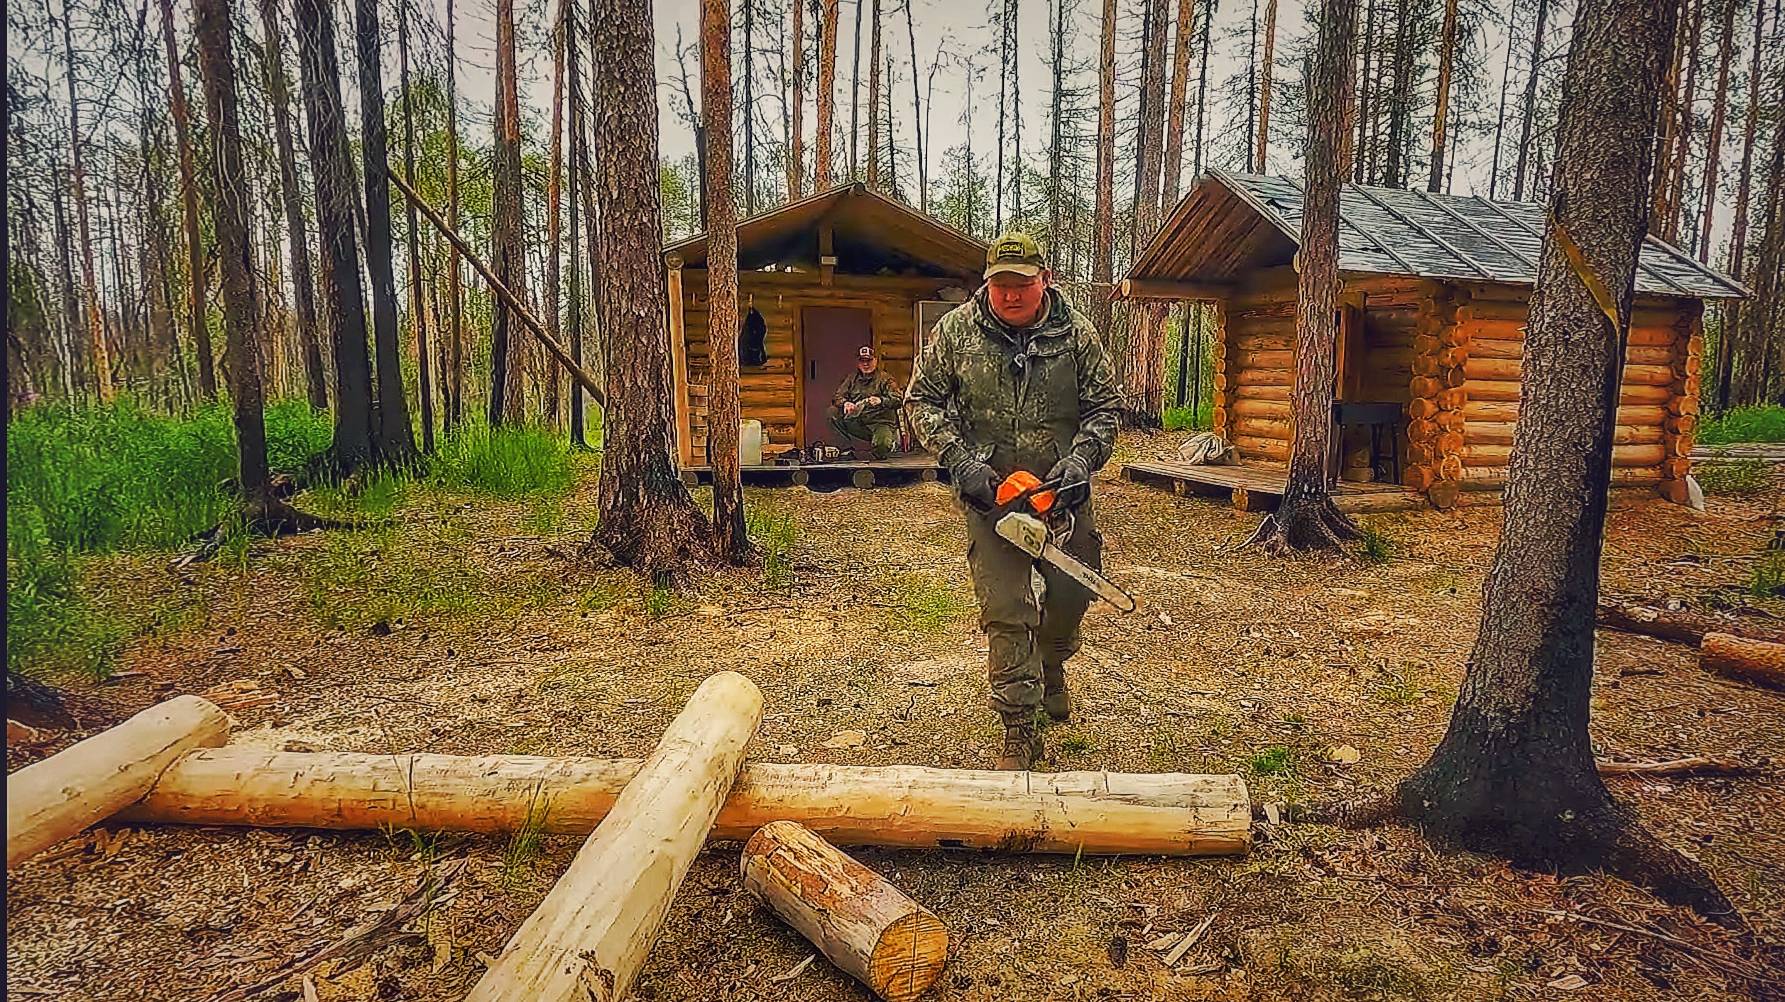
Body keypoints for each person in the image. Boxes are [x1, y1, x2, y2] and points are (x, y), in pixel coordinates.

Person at [905, 231, 1121, 770]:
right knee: (1006, 609)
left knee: (1072, 595)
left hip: (1061, 494)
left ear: (1045, 279)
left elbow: (1105, 408)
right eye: (1001, 283)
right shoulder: (956, 331)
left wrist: (1081, 461)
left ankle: (1051, 661)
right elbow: (921, 400)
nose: (1011, 294)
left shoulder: (1077, 334)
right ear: (987, 284)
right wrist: (960, 462)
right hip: (992, 498)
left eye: (1022, 283)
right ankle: (1019, 728)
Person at [828, 346, 904, 459]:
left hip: (880, 422)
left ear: (875, 361)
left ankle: (889, 442)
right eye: (862, 361)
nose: (865, 364)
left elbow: (899, 399)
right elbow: (837, 397)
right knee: (832, 412)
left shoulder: (886, 379)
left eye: (869, 360)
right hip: (858, 421)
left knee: (881, 447)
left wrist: (881, 401)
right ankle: (846, 449)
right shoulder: (852, 378)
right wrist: (845, 403)